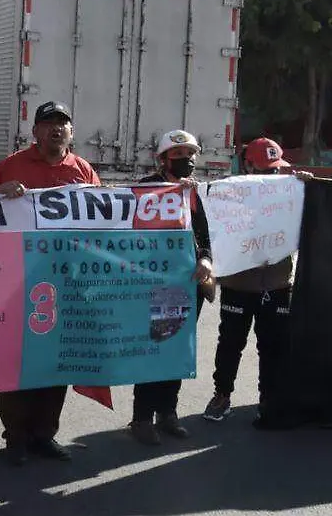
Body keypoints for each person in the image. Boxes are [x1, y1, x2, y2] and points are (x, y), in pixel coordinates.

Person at [0, 101, 100, 465]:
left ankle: (44, 436)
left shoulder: (82, 170)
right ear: (36, 133)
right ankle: (15, 438)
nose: (56, 129)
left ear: (71, 133)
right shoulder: (12, 166)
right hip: (18, 281)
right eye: (48, 123)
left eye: (62, 123)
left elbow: (104, 218)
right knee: (17, 361)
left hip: (65, 284)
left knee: (55, 362)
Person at [126, 130, 215, 446]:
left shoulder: (194, 192)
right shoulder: (144, 189)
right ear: (162, 160)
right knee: (155, 351)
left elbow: (205, 233)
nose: (186, 161)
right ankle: (141, 419)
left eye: (191, 155)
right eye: (178, 156)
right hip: (155, 285)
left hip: (188, 283)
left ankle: (168, 414)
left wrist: (205, 259)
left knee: (177, 350)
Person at [204, 138, 295, 427]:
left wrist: (309, 186)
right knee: (230, 343)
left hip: (278, 285)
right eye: (265, 169)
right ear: (248, 165)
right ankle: (222, 395)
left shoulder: (292, 190)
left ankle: (269, 399)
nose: (271, 176)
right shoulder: (228, 191)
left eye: (275, 169)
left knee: (273, 346)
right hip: (238, 285)